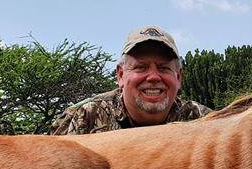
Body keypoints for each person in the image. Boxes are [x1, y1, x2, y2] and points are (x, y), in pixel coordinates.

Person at [51, 26, 210, 135]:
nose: (153, 77)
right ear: (120, 75)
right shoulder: (84, 117)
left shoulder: (204, 121)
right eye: (141, 67)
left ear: (178, 77)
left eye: (163, 68)